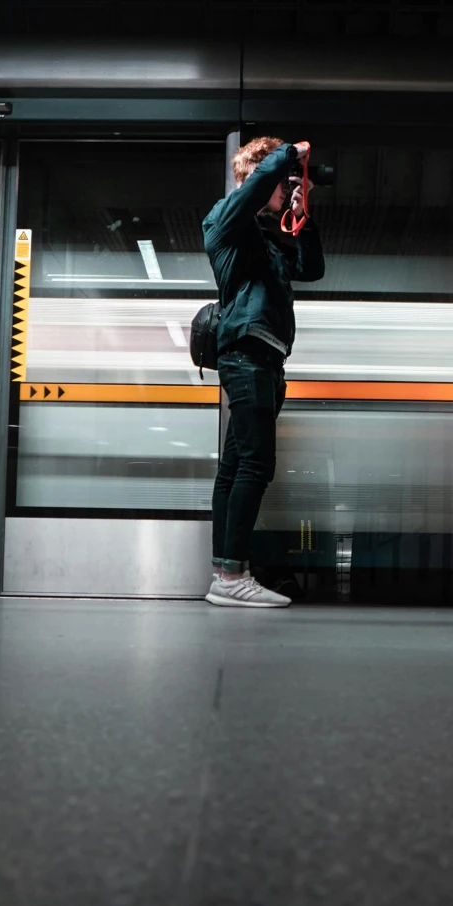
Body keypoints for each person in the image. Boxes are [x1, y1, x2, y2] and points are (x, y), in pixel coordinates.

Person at [200, 135, 324, 609]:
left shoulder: (269, 240)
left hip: (269, 362)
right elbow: (252, 193)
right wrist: (289, 155)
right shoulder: (225, 220)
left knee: (234, 470)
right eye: (279, 182)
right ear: (258, 177)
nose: (285, 187)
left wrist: (301, 213)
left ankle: (222, 573)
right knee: (255, 465)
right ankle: (233, 574)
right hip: (245, 357)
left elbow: (310, 268)